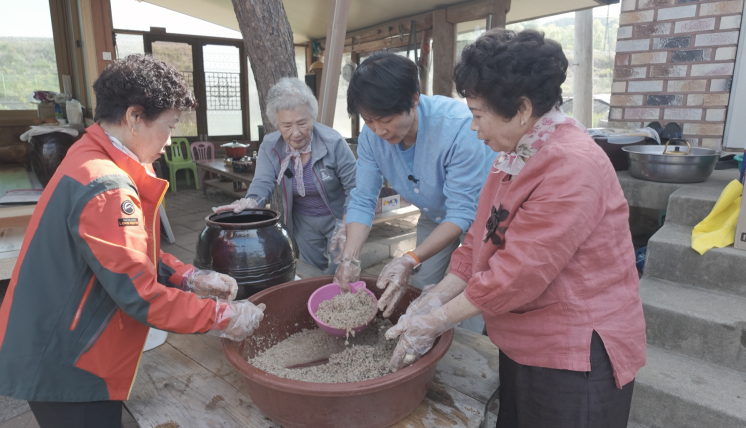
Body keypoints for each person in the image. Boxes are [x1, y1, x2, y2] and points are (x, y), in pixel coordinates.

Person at [0, 55, 265, 428]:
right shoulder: (108, 188)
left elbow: (121, 254)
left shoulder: (86, 155)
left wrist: (188, 277)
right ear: (134, 117)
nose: (170, 138)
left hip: (51, 340)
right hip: (69, 362)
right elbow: (140, 295)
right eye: (169, 125)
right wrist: (223, 315)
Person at [385, 29, 647, 428]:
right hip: (522, 337)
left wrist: (436, 321)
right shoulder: (512, 155)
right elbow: (477, 241)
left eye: (478, 115)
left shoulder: (572, 165)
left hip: (575, 350)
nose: (474, 128)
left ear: (522, 109)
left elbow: (516, 276)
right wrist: (435, 296)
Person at [333, 52, 495, 321]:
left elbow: (462, 213)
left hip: (480, 219)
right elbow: (363, 199)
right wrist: (350, 259)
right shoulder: (371, 138)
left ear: (414, 99)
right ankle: (418, 330)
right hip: (434, 214)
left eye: (385, 120)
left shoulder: (459, 127)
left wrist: (409, 258)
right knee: (420, 289)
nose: (378, 131)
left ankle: (468, 350)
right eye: (368, 120)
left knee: (470, 290)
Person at [213, 77, 356, 274]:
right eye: (287, 126)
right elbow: (263, 182)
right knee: (311, 272)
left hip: (340, 216)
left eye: (302, 123)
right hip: (304, 220)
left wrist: (347, 222)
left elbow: (354, 186)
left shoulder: (333, 143)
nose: (296, 133)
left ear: (312, 117)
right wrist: (251, 202)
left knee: (343, 269)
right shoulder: (271, 146)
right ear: (276, 123)